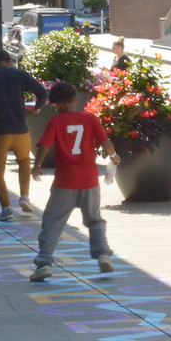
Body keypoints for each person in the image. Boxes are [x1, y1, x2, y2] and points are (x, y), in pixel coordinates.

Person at [29, 82, 120, 282]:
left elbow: (44, 145)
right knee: (94, 219)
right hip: (89, 180)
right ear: (75, 101)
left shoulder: (56, 122)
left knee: (52, 221)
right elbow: (105, 143)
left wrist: (37, 166)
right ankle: (103, 253)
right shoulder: (90, 119)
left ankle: (44, 263)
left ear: (58, 105)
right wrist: (113, 156)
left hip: (65, 181)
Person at [0, 50, 47, 221]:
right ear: (9, 62)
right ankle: (25, 197)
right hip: (21, 129)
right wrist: (37, 106)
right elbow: (42, 92)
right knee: (24, 162)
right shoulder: (19, 74)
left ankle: (6, 209)